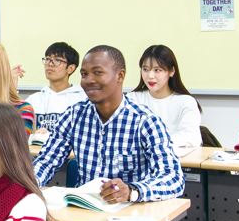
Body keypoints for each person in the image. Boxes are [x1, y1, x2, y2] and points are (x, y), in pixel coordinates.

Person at [33, 45, 184, 201]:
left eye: (98, 73)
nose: (89, 80)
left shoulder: (144, 121)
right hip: (83, 211)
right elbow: (46, 162)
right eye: (84, 74)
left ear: (120, 76)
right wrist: (29, 184)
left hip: (129, 215)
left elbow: (173, 178)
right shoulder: (73, 116)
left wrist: (132, 191)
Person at [127, 44, 203, 158]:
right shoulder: (133, 99)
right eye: (145, 69)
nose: (150, 76)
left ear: (171, 71)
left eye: (157, 70)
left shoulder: (186, 102)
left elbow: (191, 137)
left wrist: (155, 143)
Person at [25, 41, 85, 137]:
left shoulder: (81, 100)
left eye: (57, 60)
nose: (50, 64)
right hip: (36, 151)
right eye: (48, 59)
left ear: (70, 68)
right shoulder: (33, 100)